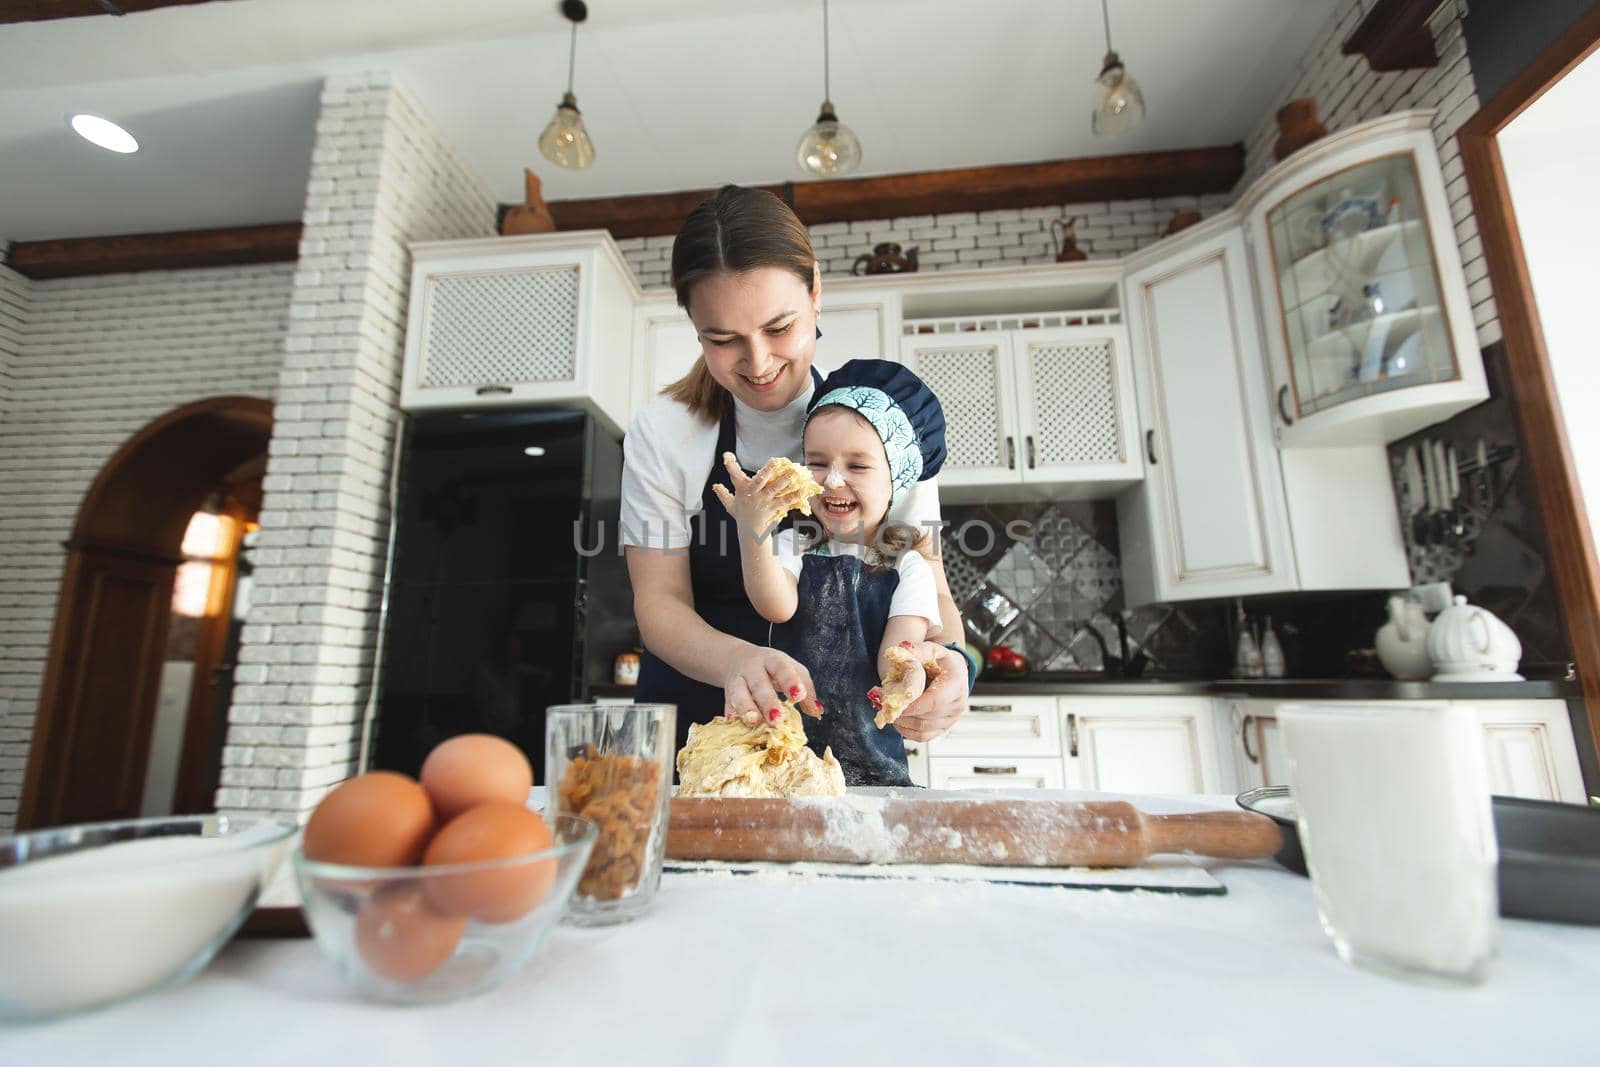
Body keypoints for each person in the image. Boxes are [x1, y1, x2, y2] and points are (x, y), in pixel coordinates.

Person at [620, 185, 970, 758]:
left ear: (815, 293)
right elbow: (658, 604)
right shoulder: (665, 433)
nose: (757, 364)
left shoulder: (883, 426)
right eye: (723, 339)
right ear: (694, 328)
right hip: (690, 737)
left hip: (840, 748)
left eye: (779, 328)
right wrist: (739, 660)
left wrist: (954, 666)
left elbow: (926, 580)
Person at [713, 359, 947, 785]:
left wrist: (910, 674)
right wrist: (753, 529)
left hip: (872, 767)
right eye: (817, 463)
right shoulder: (794, 545)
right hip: (785, 755)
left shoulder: (907, 568)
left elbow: (894, 659)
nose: (833, 480)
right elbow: (775, 606)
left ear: (896, 479)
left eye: (857, 466)